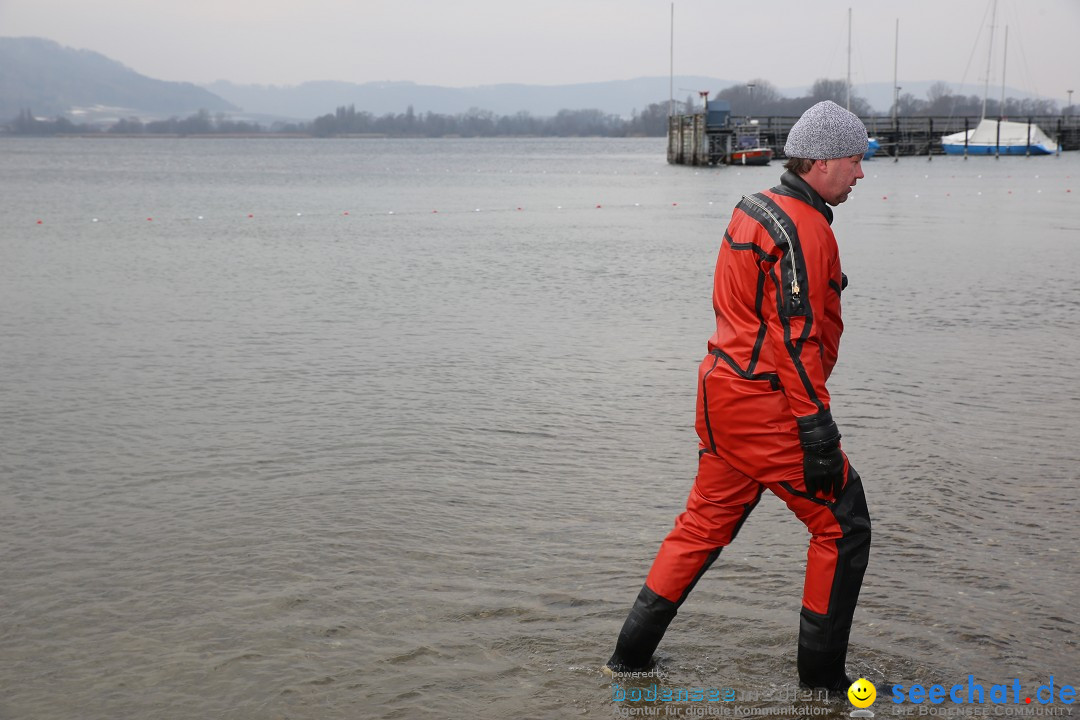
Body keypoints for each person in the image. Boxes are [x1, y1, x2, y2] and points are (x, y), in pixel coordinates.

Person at [604, 100, 873, 691]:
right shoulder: (802, 226)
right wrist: (818, 432)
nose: (861, 173)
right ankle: (823, 688)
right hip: (767, 408)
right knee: (843, 525)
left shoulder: (754, 207)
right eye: (856, 160)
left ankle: (626, 664)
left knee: (702, 525)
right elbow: (794, 340)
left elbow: (753, 305)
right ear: (822, 161)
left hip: (719, 395)